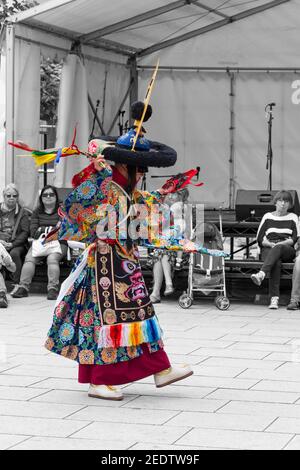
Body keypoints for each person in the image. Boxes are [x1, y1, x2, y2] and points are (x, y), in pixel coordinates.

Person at [44, 101, 199, 401]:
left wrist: (160, 201)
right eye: (139, 169)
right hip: (104, 263)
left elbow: (140, 218)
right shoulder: (103, 185)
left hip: (124, 261)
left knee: (139, 312)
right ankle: (100, 379)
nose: (142, 174)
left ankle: (160, 368)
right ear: (126, 166)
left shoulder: (128, 190)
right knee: (109, 320)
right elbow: (74, 212)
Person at [12, 185, 68, 300]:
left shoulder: (62, 210)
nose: (48, 197)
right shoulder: (37, 211)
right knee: (29, 259)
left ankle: (52, 289)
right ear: (41, 198)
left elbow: (64, 230)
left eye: (51, 194)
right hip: (41, 243)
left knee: (52, 259)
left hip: (59, 242)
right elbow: (33, 232)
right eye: (45, 195)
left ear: (56, 197)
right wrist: (51, 230)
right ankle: (23, 287)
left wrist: (43, 229)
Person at [250, 190, 299, 309]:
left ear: (290, 204)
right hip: (269, 247)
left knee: (280, 248)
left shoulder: (293, 217)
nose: (283, 204)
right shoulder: (267, 216)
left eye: (286, 201)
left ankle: (261, 274)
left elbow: (295, 238)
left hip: (286, 248)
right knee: (275, 262)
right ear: (275, 202)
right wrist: (270, 244)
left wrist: (280, 244)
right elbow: (260, 238)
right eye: (280, 201)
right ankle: (274, 299)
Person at [150, 189, 189, 303]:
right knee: (160, 253)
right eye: (169, 193)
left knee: (161, 253)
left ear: (180, 196)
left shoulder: (178, 206)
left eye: (174, 193)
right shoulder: (174, 207)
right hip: (171, 245)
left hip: (181, 249)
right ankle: (163, 287)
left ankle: (160, 289)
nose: (170, 196)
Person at [0, 183, 30, 287]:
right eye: (8, 196)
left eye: (14, 196)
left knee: (14, 254)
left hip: (17, 244)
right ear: (4, 196)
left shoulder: (23, 212)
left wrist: (13, 244)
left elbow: (25, 232)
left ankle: (16, 284)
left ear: (18, 197)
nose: (11, 198)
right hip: (1, 242)